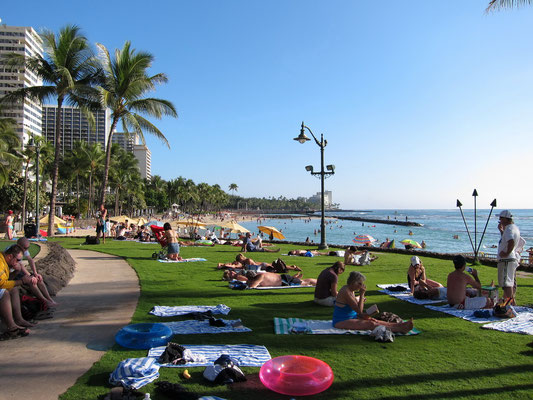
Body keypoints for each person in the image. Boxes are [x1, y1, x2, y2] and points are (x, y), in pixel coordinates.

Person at [332, 271, 413, 333]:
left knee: (374, 320)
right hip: (341, 320)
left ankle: (400, 325)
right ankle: (400, 329)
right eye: (359, 283)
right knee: (371, 324)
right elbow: (359, 311)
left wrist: (361, 299)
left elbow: (357, 309)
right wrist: (362, 294)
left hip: (353, 316)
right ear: (353, 282)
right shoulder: (345, 291)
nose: (361, 286)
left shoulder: (350, 290)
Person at [7, 237, 58, 307]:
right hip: (12, 273)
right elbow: (20, 266)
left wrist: (35, 273)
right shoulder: (14, 251)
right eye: (25, 248)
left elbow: (30, 260)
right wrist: (30, 276)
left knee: (39, 279)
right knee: (32, 281)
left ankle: (49, 298)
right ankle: (44, 300)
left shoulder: (22, 250)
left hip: (18, 271)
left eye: (27, 248)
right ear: (19, 245)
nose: (26, 250)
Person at [0, 245, 35, 339]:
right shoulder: (0, 263)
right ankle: (12, 328)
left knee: (14, 289)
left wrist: (16, 272)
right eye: (18, 259)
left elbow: (6, 280)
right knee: (4, 293)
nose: (19, 262)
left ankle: (19, 319)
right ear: (10, 256)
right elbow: (2, 284)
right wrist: (21, 281)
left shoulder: (4, 261)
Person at [497, 210, 522, 301]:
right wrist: (501, 231)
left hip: (506, 259)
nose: (499, 220)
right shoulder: (513, 228)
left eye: (501, 218)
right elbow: (508, 240)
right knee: (509, 282)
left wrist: (506, 253)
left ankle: (508, 304)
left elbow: (511, 241)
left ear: (506, 219)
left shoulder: (509, 229)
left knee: (506, 283)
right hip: (510, 259)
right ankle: (510, 302)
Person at [246, 271, 316, 288]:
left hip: (285, 281)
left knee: (306, 282)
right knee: (303, 281)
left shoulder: (259, 277)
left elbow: (252, 286)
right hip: (283, 278)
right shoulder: (260, 274)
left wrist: (248, 283)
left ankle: (320, 281)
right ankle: (295, 278)